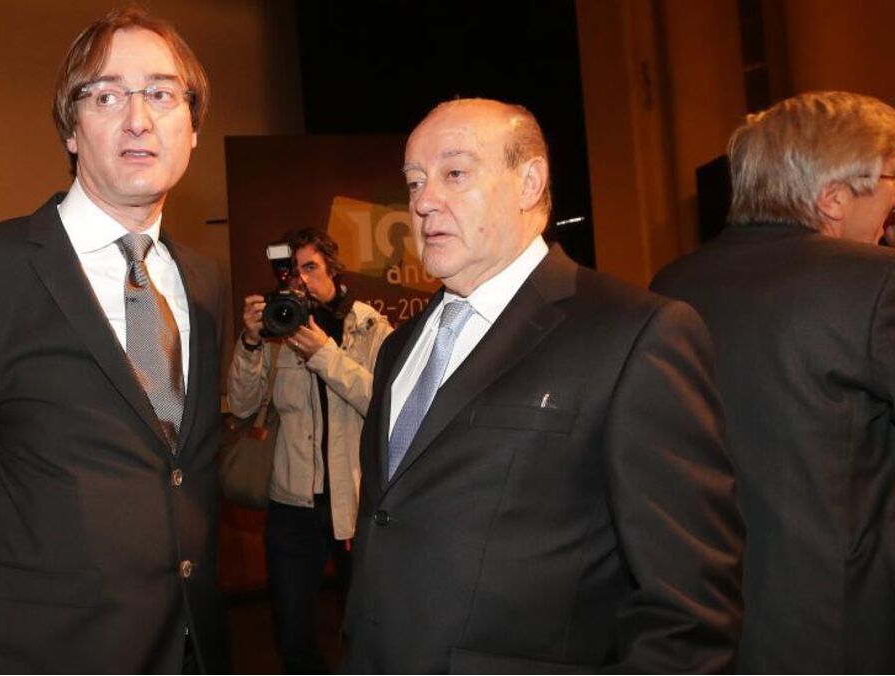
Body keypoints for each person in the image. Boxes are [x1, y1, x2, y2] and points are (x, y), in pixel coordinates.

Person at [342, 99, 744, 673]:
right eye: (414, 182)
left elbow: (690, 611)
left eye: (454, 173)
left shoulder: (633, 334)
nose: (424, 201)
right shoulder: (399, 347)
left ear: (530, 182)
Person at [0, 8, 227, 673]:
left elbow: (182, 475)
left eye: (162, 94)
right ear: (71, 128)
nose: (139, 119)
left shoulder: (203, 282)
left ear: (192, 128)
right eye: (106, 96)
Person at [651, 91, 895, 672]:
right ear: (834, 197)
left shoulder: (670, 285)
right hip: (849, 634)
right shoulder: (876, 285)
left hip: (706, 627)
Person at [228, 227, 392, 673]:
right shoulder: (279, 325)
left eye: (310, 267)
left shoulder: (369, 326)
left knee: (364, 624)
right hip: (291, 505)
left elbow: (383, 404)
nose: (300, 279)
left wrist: (324, 354)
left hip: (352, 503)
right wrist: (251, 342)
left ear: (333, 270)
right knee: (292, 630)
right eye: (292, 270)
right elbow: (241, 406)